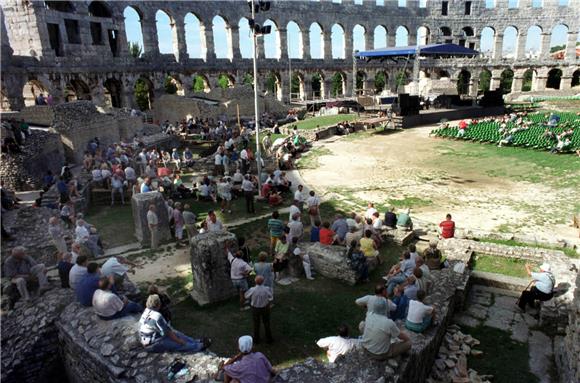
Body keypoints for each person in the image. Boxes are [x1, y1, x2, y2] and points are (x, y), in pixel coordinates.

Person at [139, 294, 210, 352]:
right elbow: (168, 333)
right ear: (158, 304)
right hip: (153, 344)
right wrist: (181, 341)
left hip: (153, 336)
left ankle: (195, 341)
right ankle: (199, 346)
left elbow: (165, 331)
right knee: (179, 344)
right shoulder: (157, 316)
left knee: (178, 334)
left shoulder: (146, 311)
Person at [245, 275, 274, 344]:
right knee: (266, 323)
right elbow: (271, 297)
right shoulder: (267, 289)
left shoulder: (252, 289)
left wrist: (251, 299)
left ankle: (256, 339)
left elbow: (246, 296)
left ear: (255, 281)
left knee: (256, 324)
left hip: (255, 309)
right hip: (265, 308)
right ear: (263, 281)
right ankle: (269, 338)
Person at [227, 246, 253, 311]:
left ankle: (244, 300)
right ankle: (242, 307)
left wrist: (226, 246)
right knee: (242, 293)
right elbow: (251, 269)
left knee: (240, 292)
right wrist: (246, 274)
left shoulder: (232, 260)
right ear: (242, 256)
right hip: (241, 280)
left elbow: (228, 252)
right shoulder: (243, 263)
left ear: (236, 255)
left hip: (233, 280)